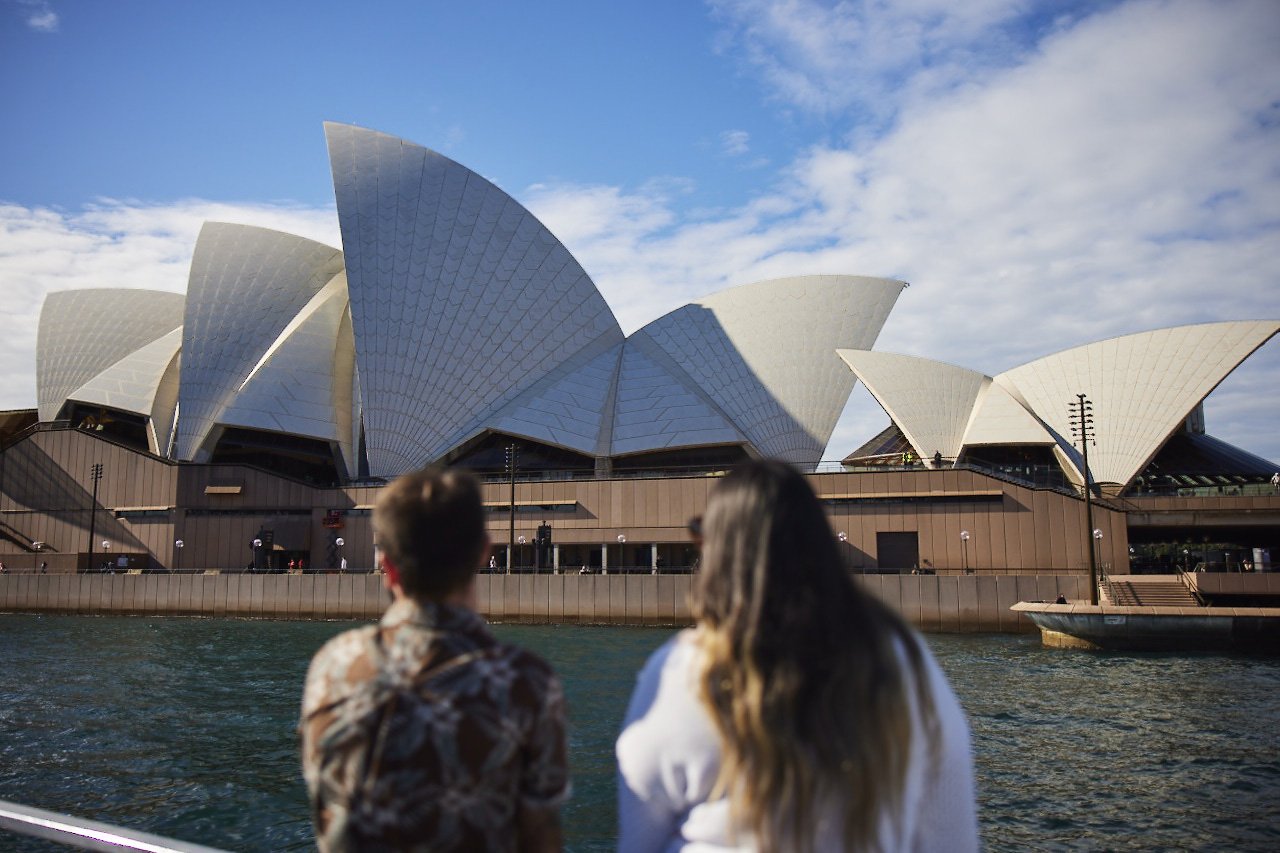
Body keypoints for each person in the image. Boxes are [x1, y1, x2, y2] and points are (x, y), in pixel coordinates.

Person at [616, 461, 978, 852]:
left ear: (718, 553)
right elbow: (952, 837)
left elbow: (639, 839)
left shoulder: (684, 670)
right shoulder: (903, 660)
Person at [300, 467, 569, 851]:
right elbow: (541, 835)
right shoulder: (524, 682)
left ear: (386, 565)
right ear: (482, 553)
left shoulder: (333, 665)